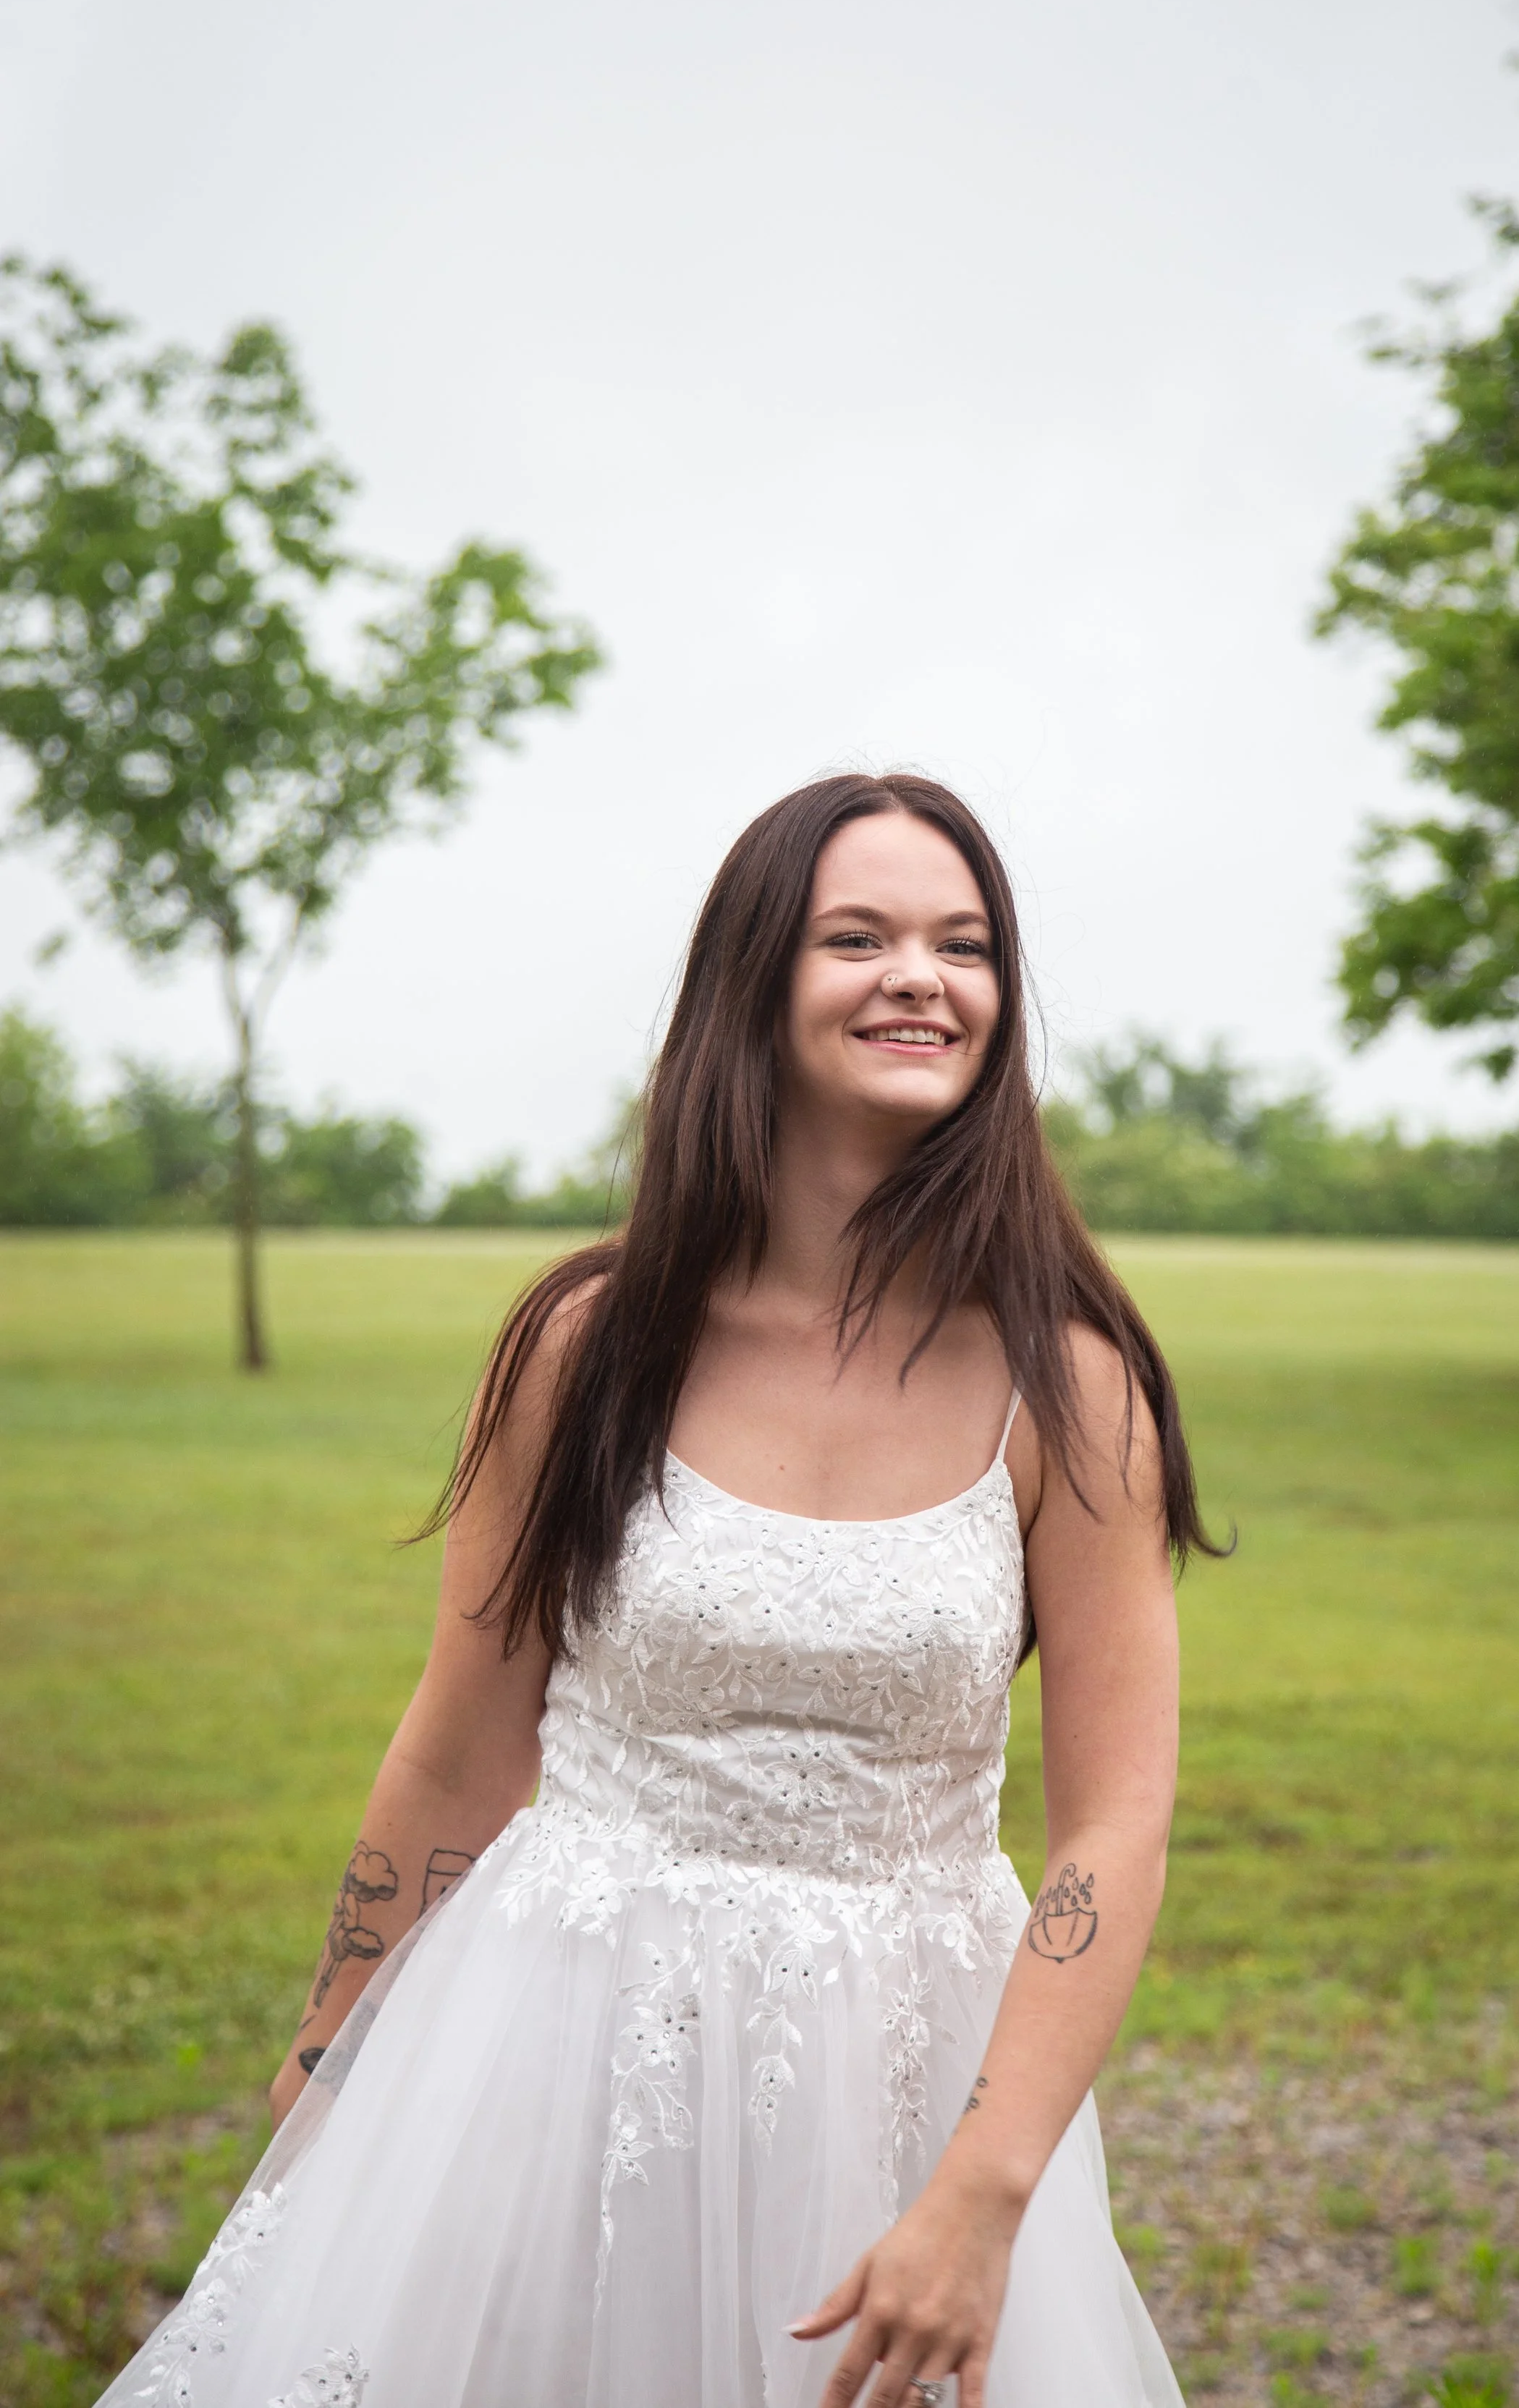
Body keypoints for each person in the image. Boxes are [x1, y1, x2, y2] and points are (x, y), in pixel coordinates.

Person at [103, 772, 1217, 2408]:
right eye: (859, 937)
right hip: (550, 2035)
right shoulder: (588, 1348)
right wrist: (338, 2039)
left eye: (963, 944)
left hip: (902, 2072)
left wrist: (986, 2192)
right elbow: (463, 1741)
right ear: (750, 986)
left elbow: (1112, 1826)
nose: (921, 974)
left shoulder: (1068, 1387)